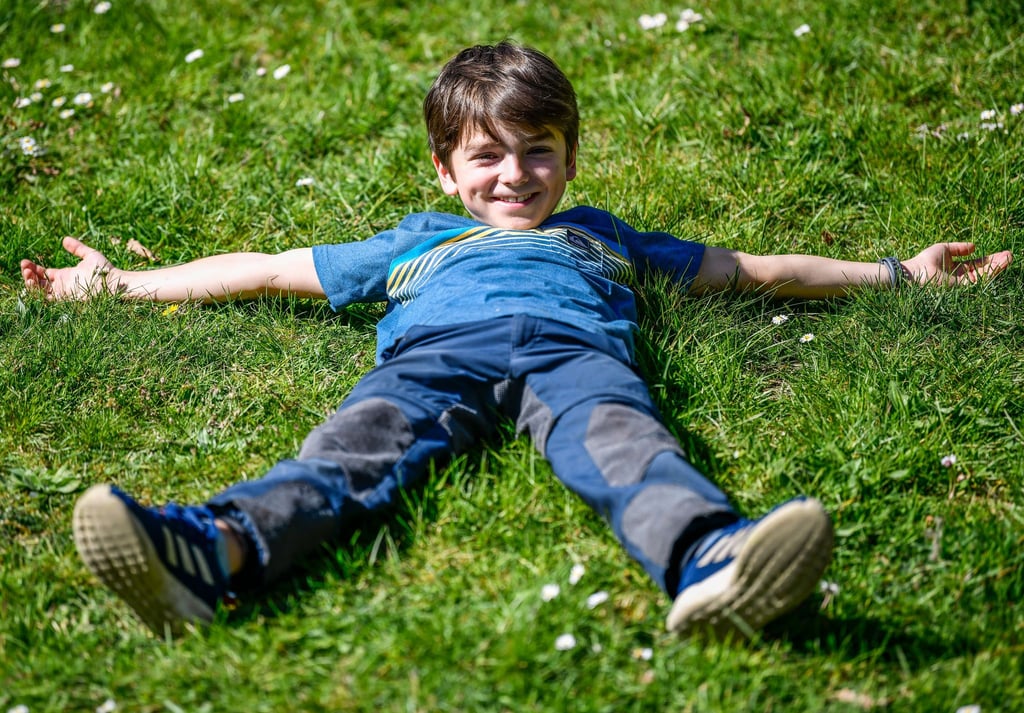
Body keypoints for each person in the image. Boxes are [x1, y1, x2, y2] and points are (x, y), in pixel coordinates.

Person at [20, 42, 1013, 641]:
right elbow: (270, 266)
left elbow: (747, 269)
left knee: (628, 443)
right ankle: (213, 549)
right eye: (487, 155)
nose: (515, 173)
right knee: (351, 449)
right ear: (448, 172)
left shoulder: (603, 236)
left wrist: (898, 273)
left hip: (578, 358)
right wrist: (122, 283)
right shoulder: (420, 239)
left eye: (539, 151)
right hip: (431, 361)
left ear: (570, 158)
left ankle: (711, 563)